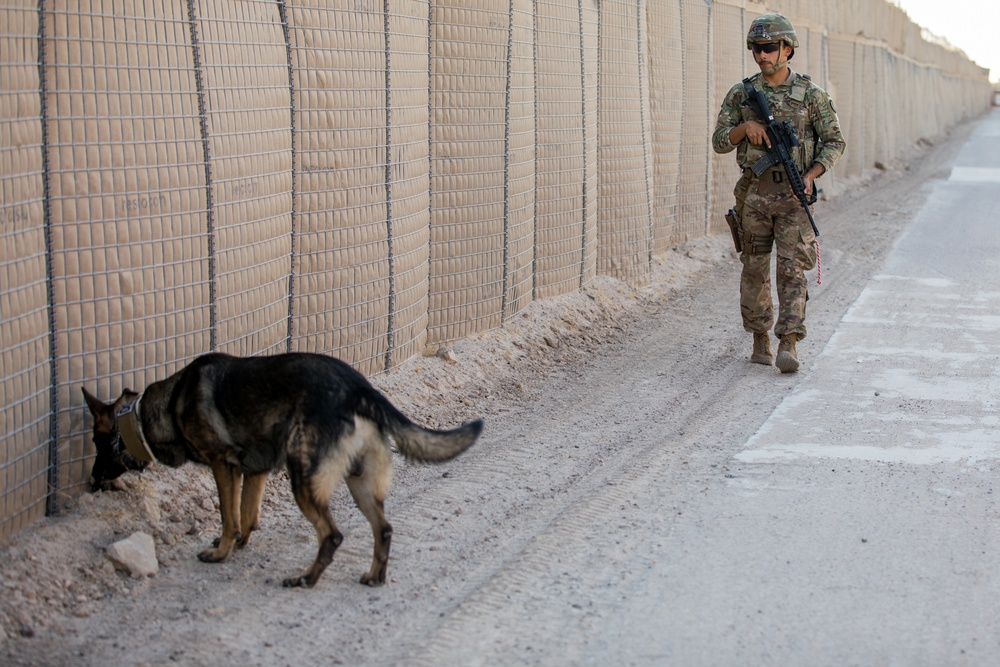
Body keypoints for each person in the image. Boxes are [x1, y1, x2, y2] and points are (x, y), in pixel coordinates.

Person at [712, 14, 845, 373]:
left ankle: (788, 342)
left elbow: (834, 142)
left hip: (793, 197)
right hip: (754, 195)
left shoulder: (811, 95)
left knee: (792, 271)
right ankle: (760, 339)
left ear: (788, 49)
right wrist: (745, 128)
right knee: (753, 269)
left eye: (769, 48)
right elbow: (720, 141)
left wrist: (812, 174)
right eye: (756, 48)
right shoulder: (742, 94)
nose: (762, 55)